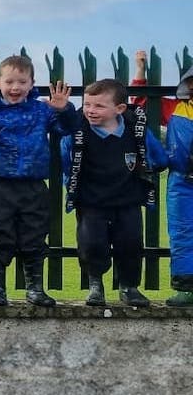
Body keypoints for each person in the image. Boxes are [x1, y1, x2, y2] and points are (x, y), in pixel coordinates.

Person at [0, 56, 79, 307]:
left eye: (22, 82)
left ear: (31, 84)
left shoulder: (41, 110)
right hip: (0, 183)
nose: (15, 87)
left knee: (35, 236)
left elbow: (66, 129)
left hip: (34, 183)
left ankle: (35, 288)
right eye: (10, 81)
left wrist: (64, 110)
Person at [62, 79, 166, 307]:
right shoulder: (78, 130)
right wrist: (70, 185)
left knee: (130, 243)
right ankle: (95, 285)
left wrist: (154, 166)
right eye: (87, 104)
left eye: (99, 106)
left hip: (127, 201)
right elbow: (65, 160)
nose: (91, 110)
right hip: (91, 202)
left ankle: (128, 287)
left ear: (120, 109)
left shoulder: (134, 130)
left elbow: (157, 156)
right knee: (92, 244)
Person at [131, 50, 193, 306]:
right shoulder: (176, 108)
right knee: (182, 233)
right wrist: (140, 70)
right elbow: (140, 104)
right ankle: (187, 289)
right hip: (182, 183)